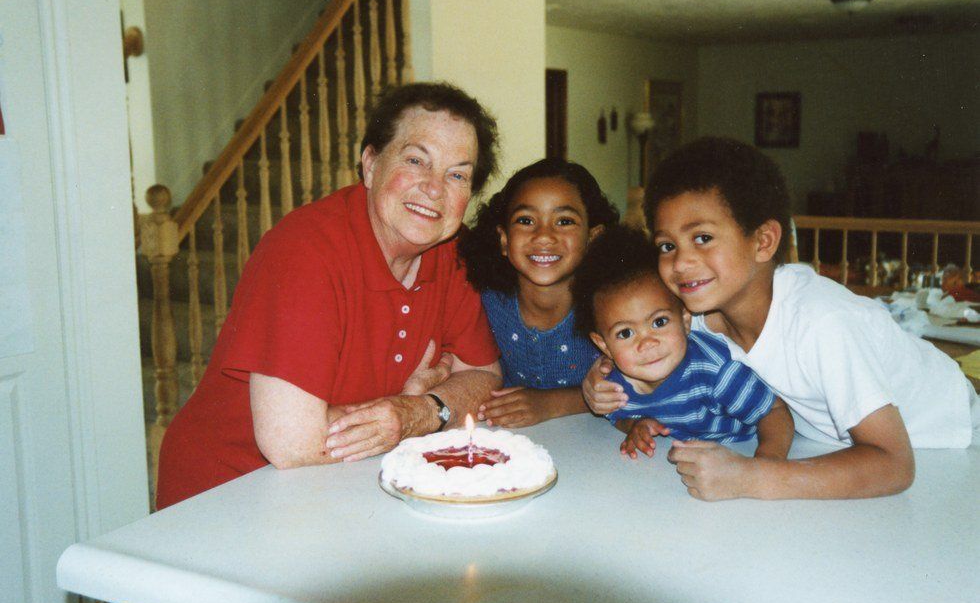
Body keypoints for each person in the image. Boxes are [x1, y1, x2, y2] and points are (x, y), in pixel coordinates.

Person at [156, 82, 504, 509]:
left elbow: (485, 378)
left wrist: (421, 410)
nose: (435, 189)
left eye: (457, 175)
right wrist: (407, 410)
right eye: (416, 160)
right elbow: (293, 443)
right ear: (371, 164)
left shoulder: (454, 252)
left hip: (341, 485)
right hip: (227, 492)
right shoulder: (304, 251)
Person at [584, 137, 976, 501]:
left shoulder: (822, 323)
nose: (681, 262)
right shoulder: (696, 319)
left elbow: (894, 465)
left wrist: (753, 477)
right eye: (667, 245)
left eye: (702, 237)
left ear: (763, 241)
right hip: (834, 448)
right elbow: (653, 374)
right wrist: (600, 387)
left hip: (948, 443)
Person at [572, 225, 792, 460]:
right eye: (625, 333)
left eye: (659, 322)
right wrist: (636, 425)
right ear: (604, 345)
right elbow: (618, 416)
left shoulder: (714, 371)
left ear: (686, 320)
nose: (647, 343)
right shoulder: (613, 385)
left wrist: (764, 466)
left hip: (739, 451)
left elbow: (775, 412)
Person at [457, 159, 618, 427]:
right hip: (509, 443)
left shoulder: (614, 309)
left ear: (593, 238)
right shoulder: (485, 302)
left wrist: (553, 403)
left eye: (564, 221)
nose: (544, 236)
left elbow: (644, 382)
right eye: (526, 220)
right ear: (504, 240)